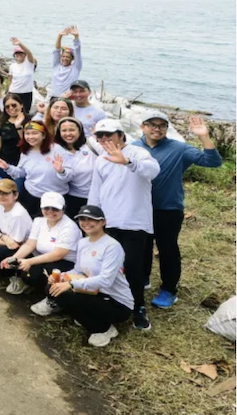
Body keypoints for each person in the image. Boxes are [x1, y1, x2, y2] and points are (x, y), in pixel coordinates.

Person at [134, 113, 223, 309]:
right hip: (138, 208)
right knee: (142, 245)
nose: (157, 129)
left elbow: (213, 162)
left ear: (167, 128)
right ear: (143, 126)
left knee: (167, 249)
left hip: (168, 208)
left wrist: (203, 137)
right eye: (152, 125)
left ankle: (169, 290)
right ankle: (143, 278)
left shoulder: (179, 148)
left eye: (162, 125)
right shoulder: (133, 147)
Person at [87, 118, 160, 331]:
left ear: (121, 135)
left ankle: (138, 307)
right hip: (108, 221)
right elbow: (96, 192)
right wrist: (92, 219)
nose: (104, 139)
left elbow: (153, 170)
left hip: (134, 222)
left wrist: (127, 161)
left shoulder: (137, 153)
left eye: (109, 135)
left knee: (132, 268)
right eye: (100, 136)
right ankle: (112, 302)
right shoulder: (101, 159)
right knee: (108, 265)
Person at [42, 205, 134, 348]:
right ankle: (87, 316)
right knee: (53, 287)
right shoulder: (83, 243)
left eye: (92, 219)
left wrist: (71, 284)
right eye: (82, 219)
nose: (86, 222)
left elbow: (106, 280)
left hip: (116, 301)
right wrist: (61, 277)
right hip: (93, 292)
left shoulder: (112, 246)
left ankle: (104, 329)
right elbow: (79, 269)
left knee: (67, 294)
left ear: (103, 222)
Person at [1, 191, 81, 300]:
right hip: (42, 255)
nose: (50, 212)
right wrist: (14, 258)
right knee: (7, 253)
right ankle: (24, 281)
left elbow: (58, 254)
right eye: (46, 208)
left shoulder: (69, 227)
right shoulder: (38, 221)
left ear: (63, 209)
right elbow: (30, 244)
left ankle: (51, 298)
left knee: (36, 272)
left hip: (64, 262)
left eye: (55, 208)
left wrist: (29, 262)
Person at [0, 121, 70, 218]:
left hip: (55, 198)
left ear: (44, 135)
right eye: (27, 133)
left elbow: (69, 175)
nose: (31, 137)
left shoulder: (57, 150)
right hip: (32, 197)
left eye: (34, 133)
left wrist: (61, 171)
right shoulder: (26, 152)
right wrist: (7, 167)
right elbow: (21, 173)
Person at [52, 117, 94, 218]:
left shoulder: (90, 145)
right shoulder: (56, 150)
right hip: (71, 197)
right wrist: (61, 171)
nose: (68, 134)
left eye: (72, 130)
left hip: (93, 196)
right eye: (64, 130)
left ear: (80, 131)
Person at [49, 26, 83, 99]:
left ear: (72, 59)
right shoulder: (56, 65)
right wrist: (60, 36)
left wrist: (76, 36)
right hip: (54, 97)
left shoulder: (75, 68)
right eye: (63, 56)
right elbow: (56, 50)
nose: (65, 58)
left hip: (68, 98)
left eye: (67, 57)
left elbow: (78, 51)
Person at [7, 37, 37, 111]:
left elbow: (29, 53)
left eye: (21, 53)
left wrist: (20, 44)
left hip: (26, 93)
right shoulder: (12, 66)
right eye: (17, 53)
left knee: (25, 112)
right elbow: (10, 78)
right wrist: (8, 90)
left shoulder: (30, 63)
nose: (19, 55)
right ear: (14, 55)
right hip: (14, 92)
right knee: (13, 111)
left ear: (24, 55)